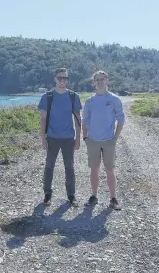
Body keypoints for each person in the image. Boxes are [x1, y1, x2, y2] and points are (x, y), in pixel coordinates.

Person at [38, 68, 82, 207]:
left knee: (69, 167)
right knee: (49, 167)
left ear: (68, 79)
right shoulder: (47, 97)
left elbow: (77, 118)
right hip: (52, 137)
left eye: (65, 78)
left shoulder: (73, 96)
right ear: (55, 79)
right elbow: (43, 119)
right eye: (59, 78)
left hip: (68, 138)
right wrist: (43, 138)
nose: (62, 80)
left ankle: (71, 195)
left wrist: (78, 138)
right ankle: (47, 195)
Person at [81, 70, 125, 210]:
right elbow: (85, 120)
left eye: (102, 79)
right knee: (94, 169)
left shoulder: (114, 99)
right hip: (92, 141)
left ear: (107, 80)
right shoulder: (90, 101)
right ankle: (94, 196)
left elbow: (121, 120)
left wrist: (115, 138)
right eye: (97, 79)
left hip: (108, 141)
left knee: (109, 170)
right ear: (94, 82)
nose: (100, 82)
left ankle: (113, 198)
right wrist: (85, 137)